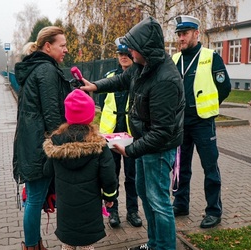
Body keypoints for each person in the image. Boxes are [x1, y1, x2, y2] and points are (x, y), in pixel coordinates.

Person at [81, 16, 185, 250]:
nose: (128, 53)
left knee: (158, 201)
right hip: (144, 143)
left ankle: (165, 247)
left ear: (145, 50)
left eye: (132, 49)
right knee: (145, 196)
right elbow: (122, 79)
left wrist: (130, 150)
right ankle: (154, 243)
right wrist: (95, 86)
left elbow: (162, 132)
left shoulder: (165, 79)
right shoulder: (142, 66)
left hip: (157, 149)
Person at [13, 26, 72, 250]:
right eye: (62, 45)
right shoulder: (46, 70)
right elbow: (51, 114)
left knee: (34, 198)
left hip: (32, 142)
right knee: (35, 198)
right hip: (41, 146)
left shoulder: (36, 68)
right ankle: (31, 246)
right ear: (48, 46)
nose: (66, 49)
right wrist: (61, 147)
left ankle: (35, 243)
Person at [171, 15, 231, 229]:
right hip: (181, 123)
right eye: (178, 34)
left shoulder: (210, 56)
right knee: (180, 167)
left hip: (203, 122)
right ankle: (180, 204)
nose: (181, 38)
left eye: (184, 33)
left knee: (210, 167)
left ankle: (213, 211)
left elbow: (224, 87)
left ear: (196, 33)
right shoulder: (176, 60)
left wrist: (209, 109)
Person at [43, 89, 118, 250]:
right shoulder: (99, 144)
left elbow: (47, 171)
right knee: (86, 246)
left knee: (68, 244)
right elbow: (109, 175)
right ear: (90, 115)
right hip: (89, 209)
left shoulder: (56, 142)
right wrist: (110, 196)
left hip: (65, 207)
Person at [99, 42, 142, 228]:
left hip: (131, 137)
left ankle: (133, 211)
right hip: (111, 136)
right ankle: (112, 211)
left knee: (132, 177)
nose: (123, 57)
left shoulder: (139, 77)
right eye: (120, 54)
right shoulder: (110, 77)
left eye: (126, 53)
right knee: (112, 176)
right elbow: (103, 104)